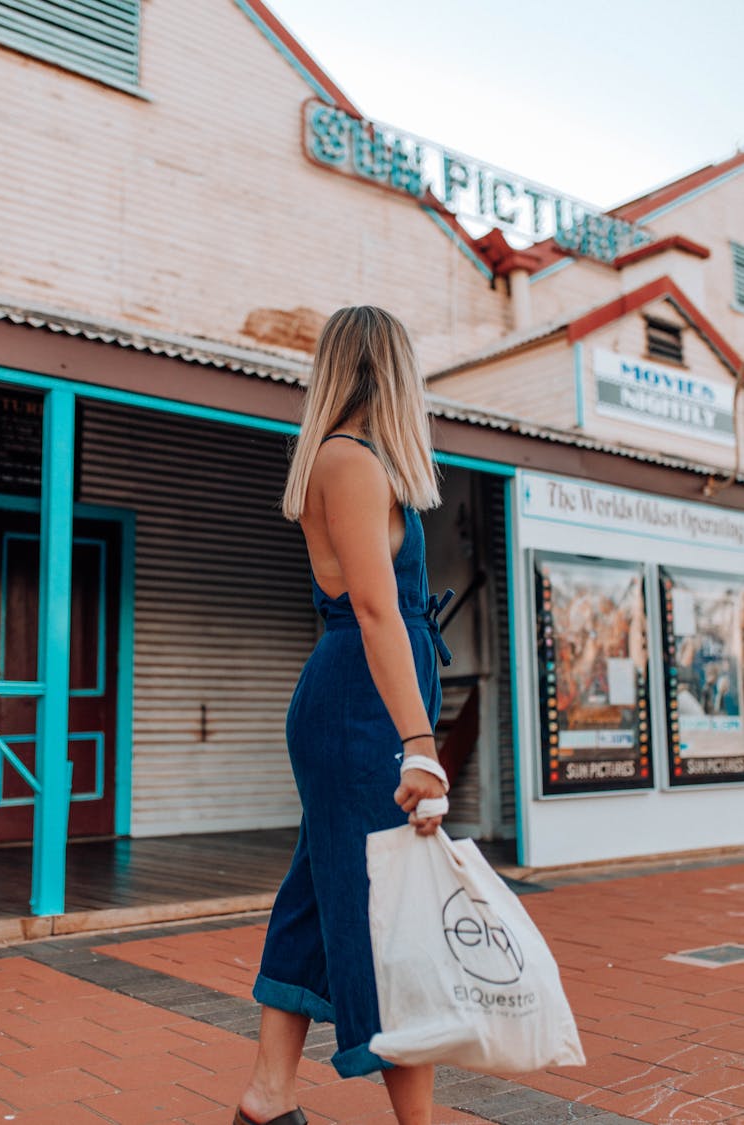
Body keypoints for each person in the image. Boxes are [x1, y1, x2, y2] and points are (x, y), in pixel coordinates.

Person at [234, 306, 453, 1125]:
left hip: (360, 707)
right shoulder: (350, 461)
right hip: (360, 712)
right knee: (391, 914)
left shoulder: (354, 459)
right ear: (391, 369)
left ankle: (267, 1096)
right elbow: (373, 608)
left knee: (319, 896)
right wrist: (420, 744)